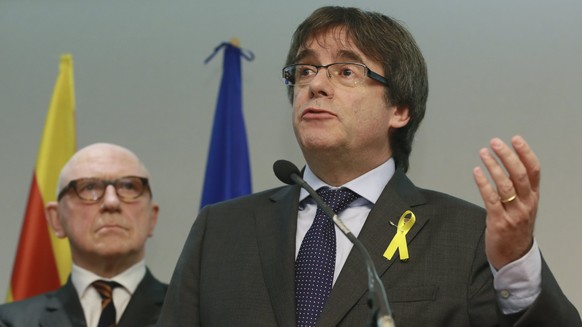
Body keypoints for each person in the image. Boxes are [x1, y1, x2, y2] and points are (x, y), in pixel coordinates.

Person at [157, 6, 581, 327]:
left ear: (400, 108)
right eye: (305, 71)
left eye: (346, 71)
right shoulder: (220, 231)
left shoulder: (465, 236)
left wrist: (516, 265)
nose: (316, 84)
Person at [0, 143, 167, 327]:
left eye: (128, 186)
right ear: (56, 219)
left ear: (152, 217)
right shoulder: (11, 321)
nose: (111, 202)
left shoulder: (196, 314)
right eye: (89, 187)